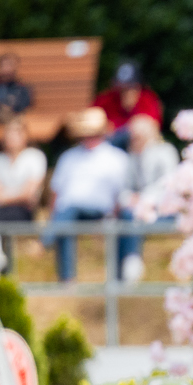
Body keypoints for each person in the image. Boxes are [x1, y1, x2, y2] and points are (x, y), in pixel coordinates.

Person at [45, 107, 134, 283]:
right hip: (68, 213)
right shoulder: (68, 157)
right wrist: (52, 215)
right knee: (66, 218)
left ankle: (46, 240)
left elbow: (121, 194)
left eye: (92, 133)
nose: (88, 138)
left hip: (102, 212)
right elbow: (56, 191)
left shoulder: (117, 158)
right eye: (85, 133)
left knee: (67, 213)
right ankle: (67, 279)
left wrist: (112, 217)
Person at [119, 113, 179, 281]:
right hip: (138, 211)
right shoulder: (131, 156)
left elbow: (168, 184)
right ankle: (126, 268)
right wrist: (130, 199)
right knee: (126, 217)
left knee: (131, 218)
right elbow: (125, 189)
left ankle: (131, 267)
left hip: (163, 211)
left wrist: (143, 199)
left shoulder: (165, 152)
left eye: (138, 135)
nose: (134, 139)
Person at [0, 118, 48, 224]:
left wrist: (1, 198)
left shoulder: (35, 157)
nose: (11, 136)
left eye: (16, 132)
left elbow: (29, 194)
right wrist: (15, 197)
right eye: (8, 132)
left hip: (22, 211)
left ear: (25, 135)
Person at [94, 61, 163, 147]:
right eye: (121, 88)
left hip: (138, 149)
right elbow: (92, 124)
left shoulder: (148, 100)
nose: (126, 93)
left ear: (138, 86)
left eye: (130, 88)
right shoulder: (106, 100)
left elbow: (154, 128)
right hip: (110, 146)